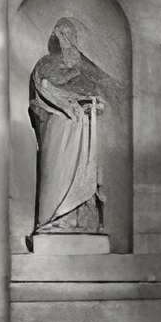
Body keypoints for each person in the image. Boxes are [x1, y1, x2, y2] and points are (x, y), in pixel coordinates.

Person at [27, 16, 118, 238]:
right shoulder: (45, 63)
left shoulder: (83, 63)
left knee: (84, 172)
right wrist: (70, 100)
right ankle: (53, 220)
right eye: (63, 33)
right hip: (58, 124)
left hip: (82, 127)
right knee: (56, 171)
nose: (68, 38)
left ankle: (82, 221)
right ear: (56, 36)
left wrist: (93, 102)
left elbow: (102, 84)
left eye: (72, 34)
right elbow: (44, 88)